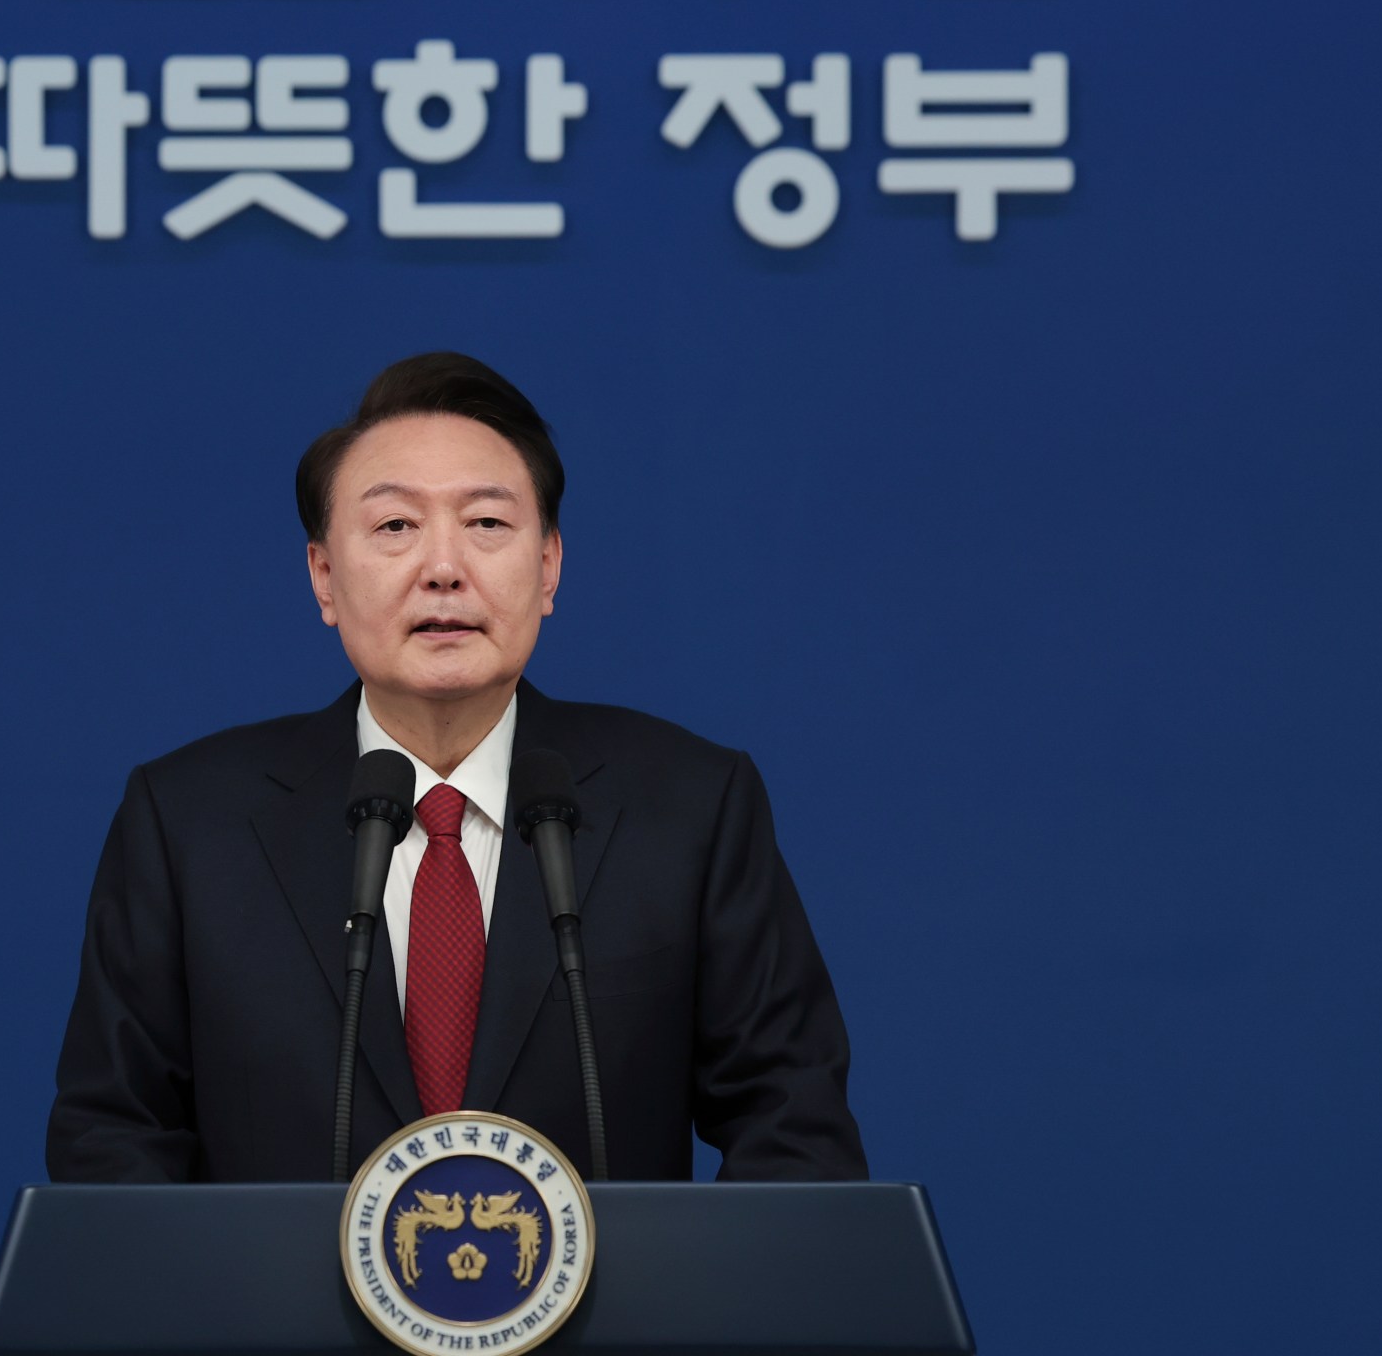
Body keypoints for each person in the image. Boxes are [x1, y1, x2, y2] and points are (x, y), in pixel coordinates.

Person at [47, 352, 867, 1182]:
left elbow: (794, 1126)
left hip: (609, 1316)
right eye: (395, 527)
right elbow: (112, 1140)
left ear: (548, 567)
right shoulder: (190, 821)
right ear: (324, 578)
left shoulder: (689, 804)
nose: (444, 568)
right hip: (275, 1315)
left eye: (486, 524)